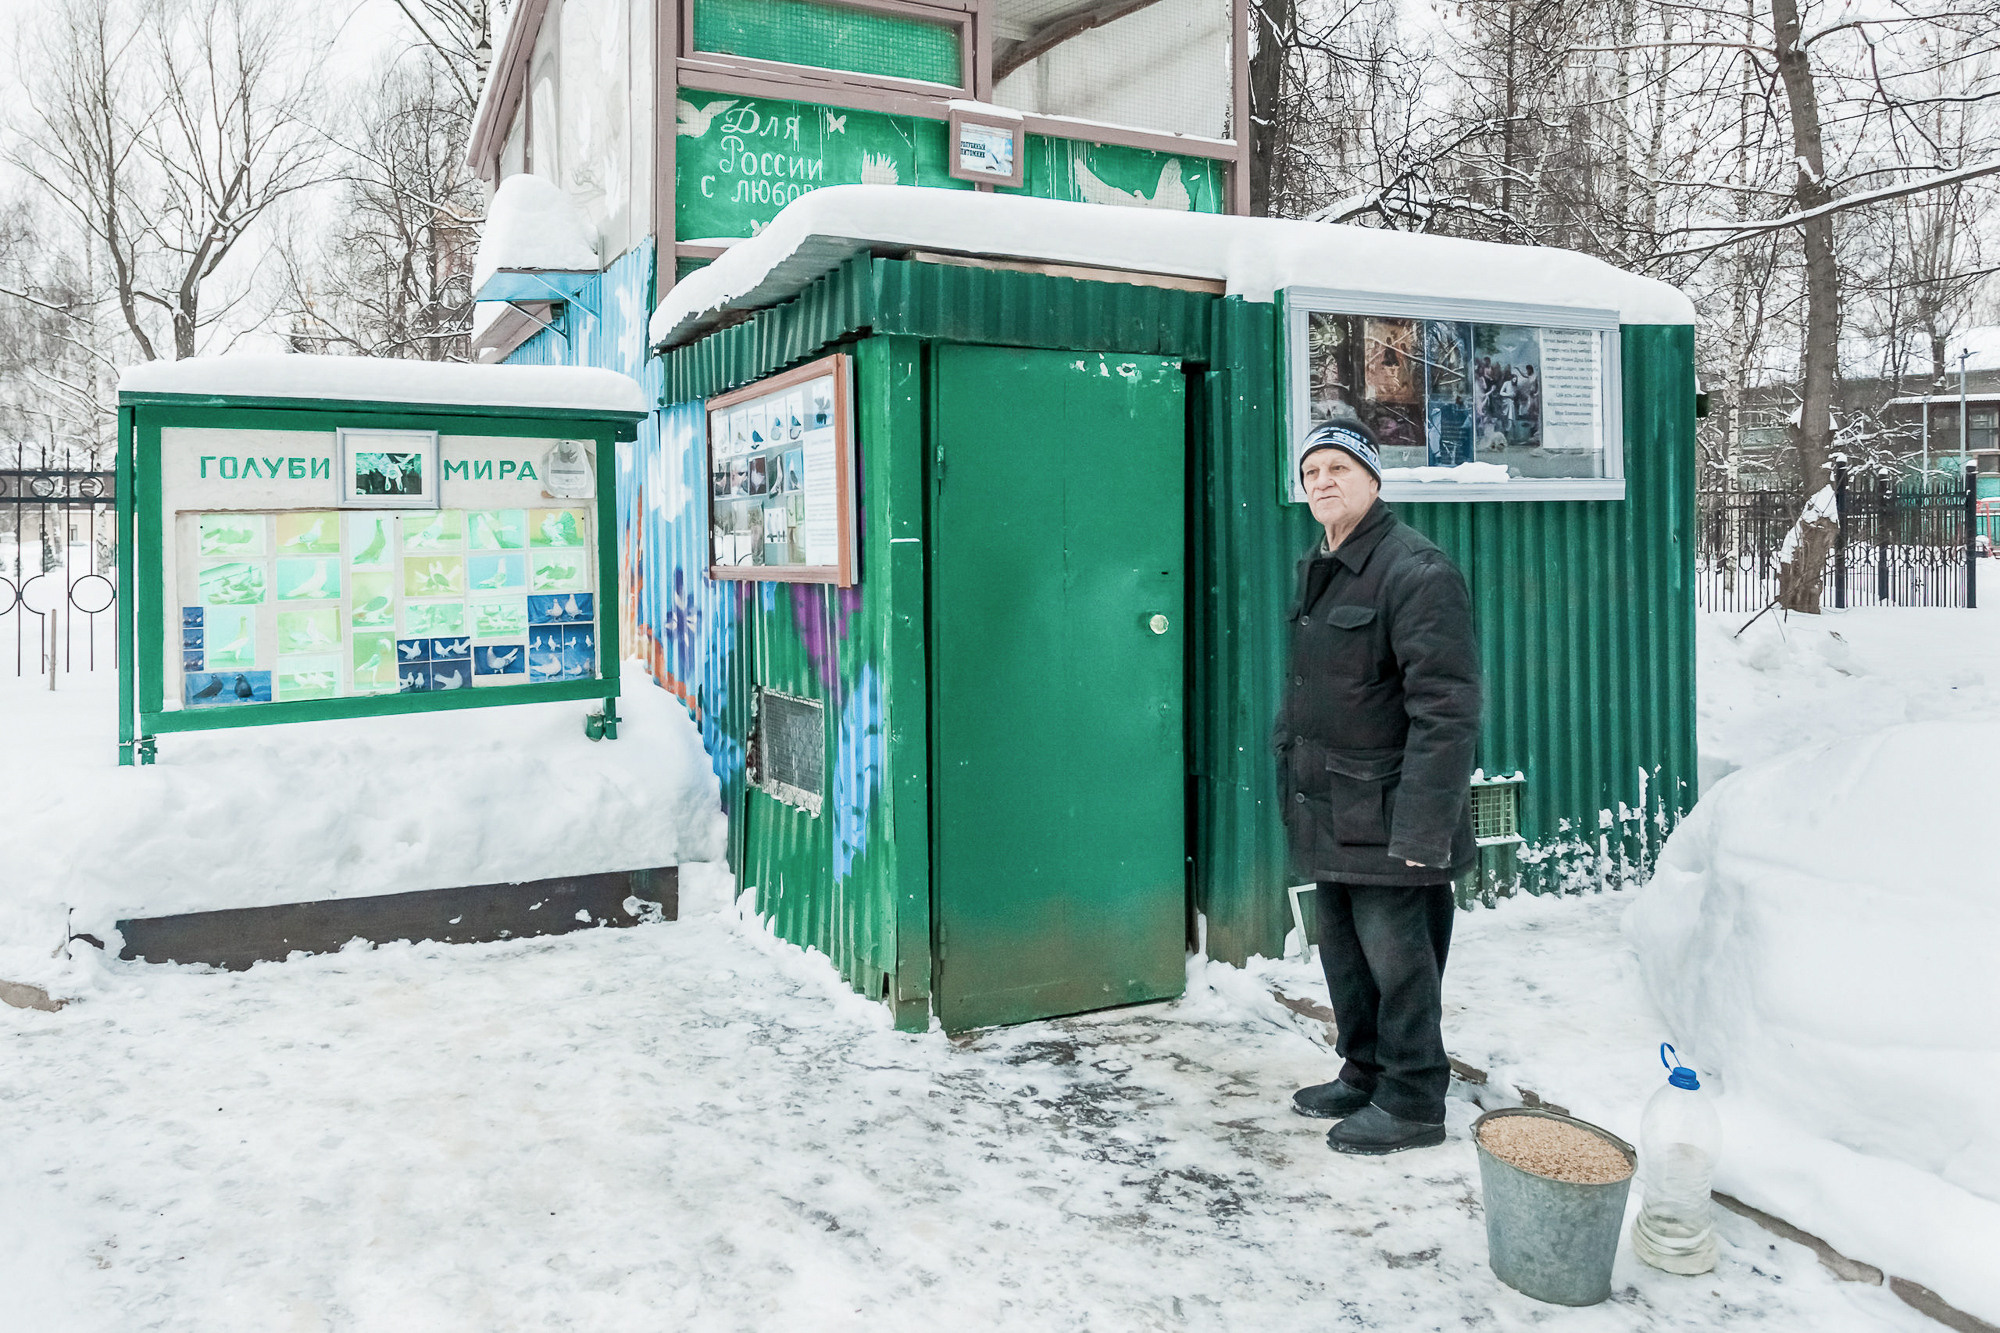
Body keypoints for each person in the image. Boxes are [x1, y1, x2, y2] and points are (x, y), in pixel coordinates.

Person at [1275, 420, 1483, 1155]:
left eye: (1338, 467)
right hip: (1333, 804)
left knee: (1400, 963)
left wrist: (1425, 828)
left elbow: (1447, 707)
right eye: (1312, 472)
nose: (1323, 482)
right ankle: (1364, 1071)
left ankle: (1414, 1096)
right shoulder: (1325, 562)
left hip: (1395, 814)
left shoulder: (1416, 572)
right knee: (1346, 955)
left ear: (1373, 479)